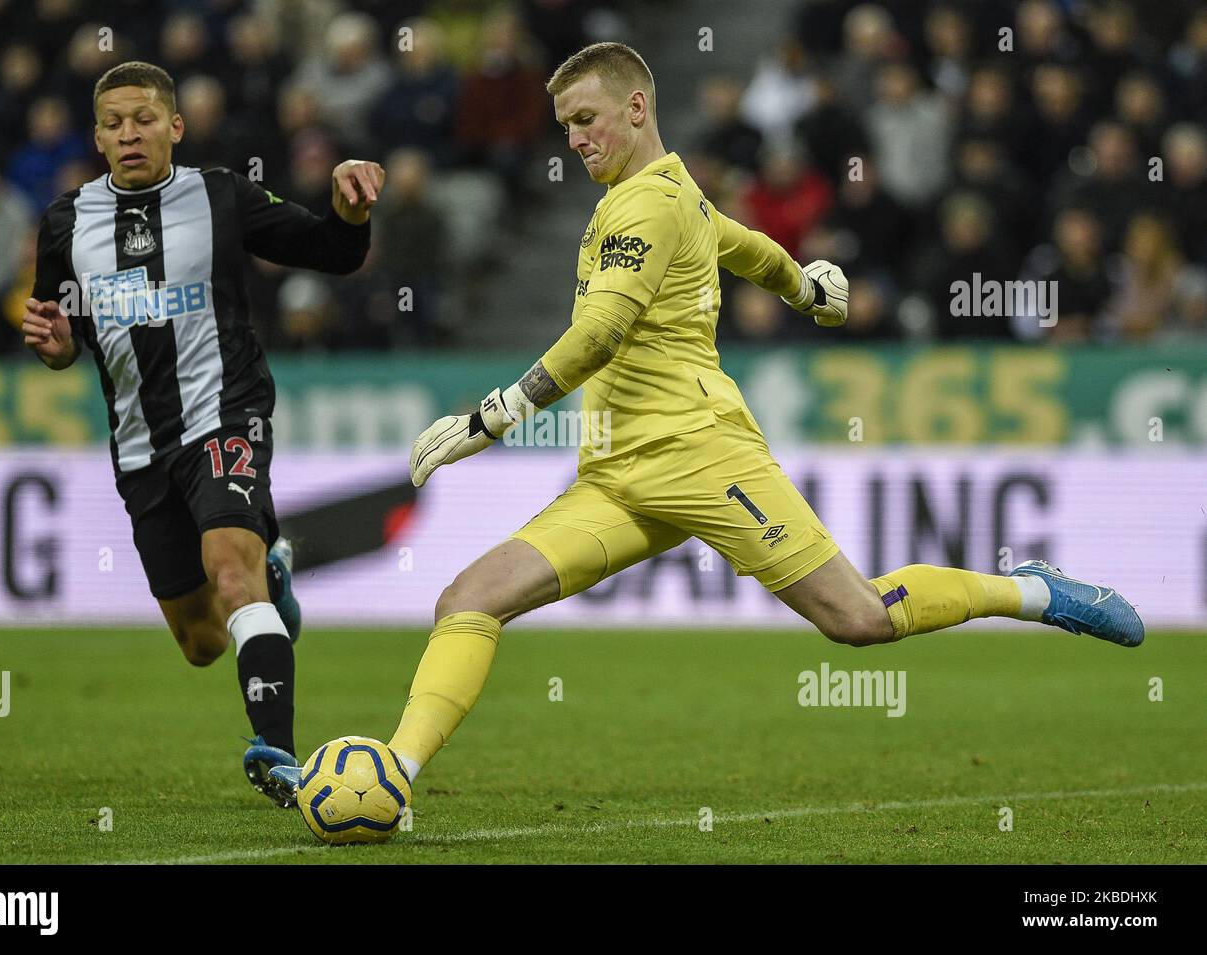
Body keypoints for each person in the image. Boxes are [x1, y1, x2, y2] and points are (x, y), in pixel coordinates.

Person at [274, 42, 1142, 807]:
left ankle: (1032, 590)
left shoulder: (645, 204)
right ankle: (392, 774)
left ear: (637, 107)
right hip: (615, 481)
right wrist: (804, 284)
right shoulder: (671, 193)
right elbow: (743, 243)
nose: (574, 140)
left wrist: (494, 414)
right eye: (565, 126)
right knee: (470, 598)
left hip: (701, 454)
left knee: (860, 619)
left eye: (586, 119)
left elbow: (602, 330)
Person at [21, 61, 383, 806]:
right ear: (96, 136)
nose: (129, 133)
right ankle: (273, 580)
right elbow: (64, 332)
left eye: (145, 119)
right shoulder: (64, 224)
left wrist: (349, 208)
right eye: (114, 123)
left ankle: (278, 754)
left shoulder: (222, 195)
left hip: (226, 412)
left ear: (175, 127)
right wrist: (55, 345)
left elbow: (333, 251)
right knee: (201, 642)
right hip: (137, 445)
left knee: (228, 567)